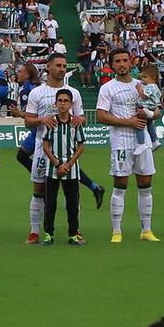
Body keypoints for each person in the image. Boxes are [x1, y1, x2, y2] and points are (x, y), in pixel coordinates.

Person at [20, 53, 105, 246]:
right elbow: (27, 122)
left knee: (72, 193)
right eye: (58, 65)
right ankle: (35, 231)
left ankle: (75, 230)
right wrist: (42, 120)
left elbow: (81, 118)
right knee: (39, 191)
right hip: (44, 150)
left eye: (64, 65)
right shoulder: (37, 93)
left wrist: (79, 120)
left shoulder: (73, 92)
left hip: (68, 151)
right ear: (48, 67)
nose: (62, 69)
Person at [96, 48, 160, 243]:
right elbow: (101, 115)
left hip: (144, 142)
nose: (122, 64)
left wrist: (149, 115)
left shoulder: (142, 84)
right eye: (118, 61)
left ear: (130, 62)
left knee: (146, 185)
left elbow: (157, 111)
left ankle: (146, 230)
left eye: (125, 60)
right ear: (112, 65)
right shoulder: (108, 88)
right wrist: (128, 122)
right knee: (120, 185)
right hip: (121, 141)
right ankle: (117, 230)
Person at [41, 88, 87, 245]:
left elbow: (81, 145)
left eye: (65, 101)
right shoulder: (51, 122)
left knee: (73, 203)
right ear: (55, 103)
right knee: (50, 203)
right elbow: (45, 146)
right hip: (53, 168)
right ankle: (48, 234)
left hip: (71, 169)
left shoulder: (75, 122)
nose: (62, 103)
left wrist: (69, 163)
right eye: (60, 100)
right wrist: (57, 163)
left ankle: (73, 234)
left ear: (71, 104)